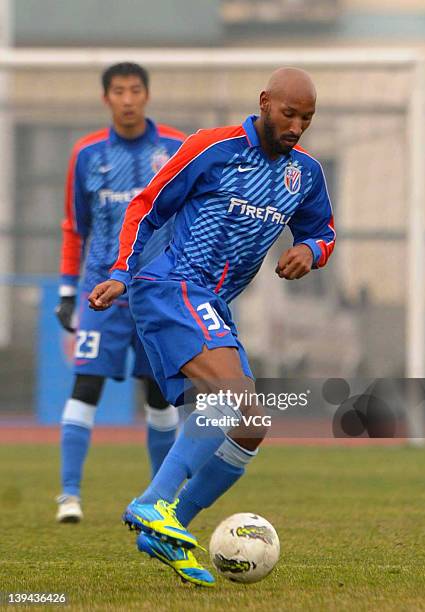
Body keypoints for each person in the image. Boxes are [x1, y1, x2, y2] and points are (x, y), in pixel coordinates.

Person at [89, 67, 336, 587]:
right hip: (169, 284)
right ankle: (152, 503)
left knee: (251, 423)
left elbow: (323, 231)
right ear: (265, 102)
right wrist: (119, 271)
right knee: (232, 393)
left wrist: (309, 251)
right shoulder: (213, 147)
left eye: (307, 119)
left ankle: (169, 527)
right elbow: (146, 205)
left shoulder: (304, 174)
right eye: (289, 113)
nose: (297, 126)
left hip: (213, 304)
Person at [55, 62, 185, 523]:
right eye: (118, 91)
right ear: (106, 98)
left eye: (135, 90)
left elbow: (184, 221)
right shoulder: (87, 153)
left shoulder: (174, 148)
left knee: (159, 395)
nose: (128, 99)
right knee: (85, 384)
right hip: (98, 293)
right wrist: (67, 290)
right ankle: (69, 495)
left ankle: (159, 502)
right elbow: (75, 227)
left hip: (155, 293)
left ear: (147, 95)